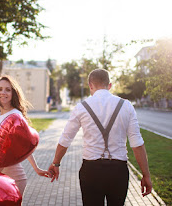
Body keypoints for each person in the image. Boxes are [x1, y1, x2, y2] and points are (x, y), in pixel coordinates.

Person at [48, 69, 152, 206]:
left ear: (90, 85)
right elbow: (137, 143)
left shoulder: (81, 107)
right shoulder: (126, 106)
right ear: (110, 85)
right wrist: (146, 175)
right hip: (118, 170)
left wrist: (56, 163)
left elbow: (65, 139)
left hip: (91, 170)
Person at [0, 75, 51, 196]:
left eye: (8, 89)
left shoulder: (15, 116)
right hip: (2, 174)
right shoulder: (1, 115)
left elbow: (25, 144)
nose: (3, 92)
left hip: (13, 177)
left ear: (13, 93)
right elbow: (17, 146)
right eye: (0, 89)